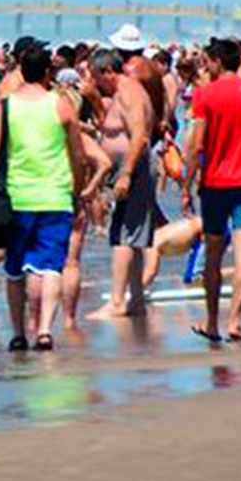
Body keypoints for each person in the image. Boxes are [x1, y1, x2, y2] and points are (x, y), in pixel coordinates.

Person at [0, 42, 86, 351]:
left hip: (17, 195)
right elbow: (78, 155)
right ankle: (44, 330)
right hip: (55, 194)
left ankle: (18, 332)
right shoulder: (61, 105)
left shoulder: (6, 105)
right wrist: (77, 190)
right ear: (47, 73)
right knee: (52, 266)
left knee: (15, 268)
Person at [181, 37, 241, 343]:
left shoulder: (206, 94)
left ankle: (212, 322)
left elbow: (196, 145)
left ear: (218, 62)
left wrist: (185, 184)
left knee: (214, 254)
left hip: (215, 184)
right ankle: (235, 321)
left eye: (208, 61)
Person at [87, 45, 157, 319]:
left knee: (123, 236)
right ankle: (136, 300)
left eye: (96, 76)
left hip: (133, 167)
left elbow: (138, 133)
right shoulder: (121, 92)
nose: (94, 82)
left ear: (108, 71)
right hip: (127, 166)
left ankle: (117, 301)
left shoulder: (128, 92)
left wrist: (126, 173)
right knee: (133, 235)